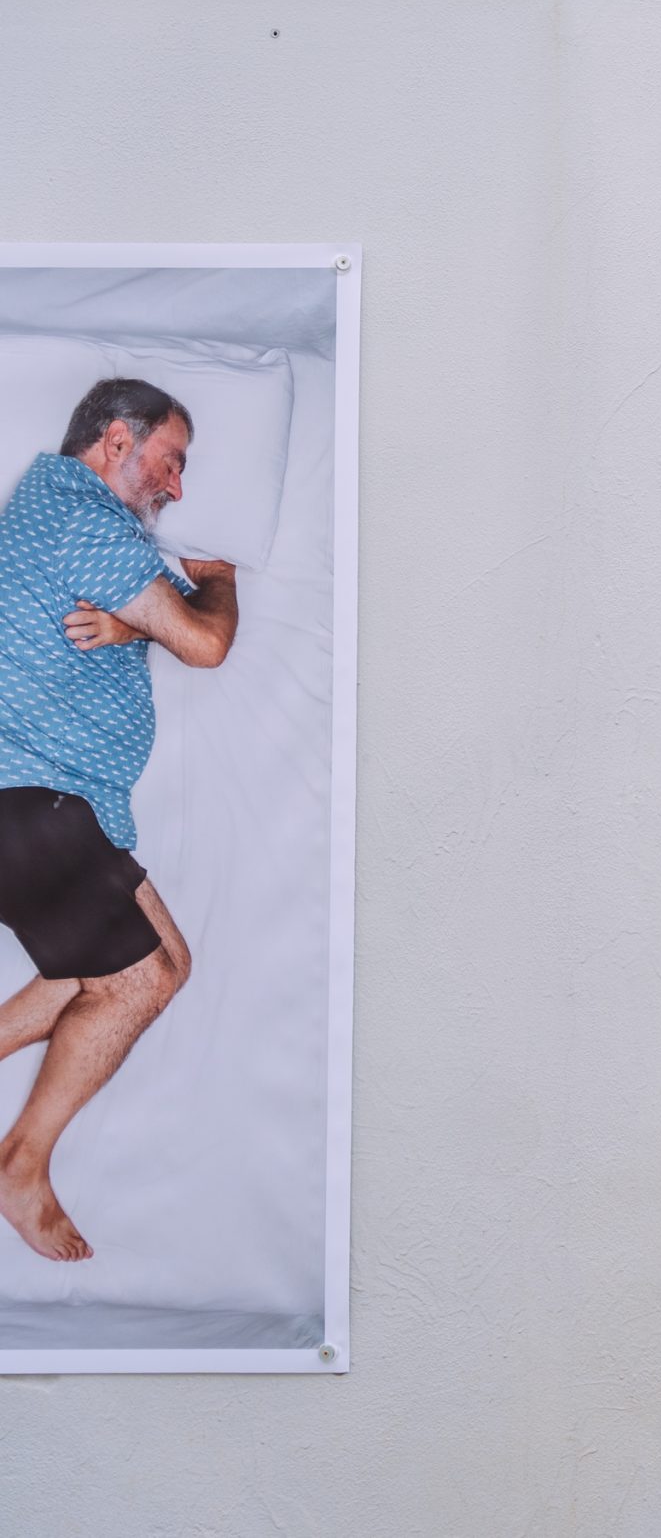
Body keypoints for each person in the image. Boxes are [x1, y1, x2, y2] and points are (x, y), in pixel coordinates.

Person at [0, 378, 238, 1261]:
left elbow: (159, 623)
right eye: (170, 461)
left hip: (61, 802)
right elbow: (205, 640)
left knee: (166, 963)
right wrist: (222, 575)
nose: (177, 485)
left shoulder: (79, 520)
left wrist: (140, 628)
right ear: (114, 441)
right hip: (32, 796)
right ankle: (20, 1166)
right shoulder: (84, 520)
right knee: (133, 983)